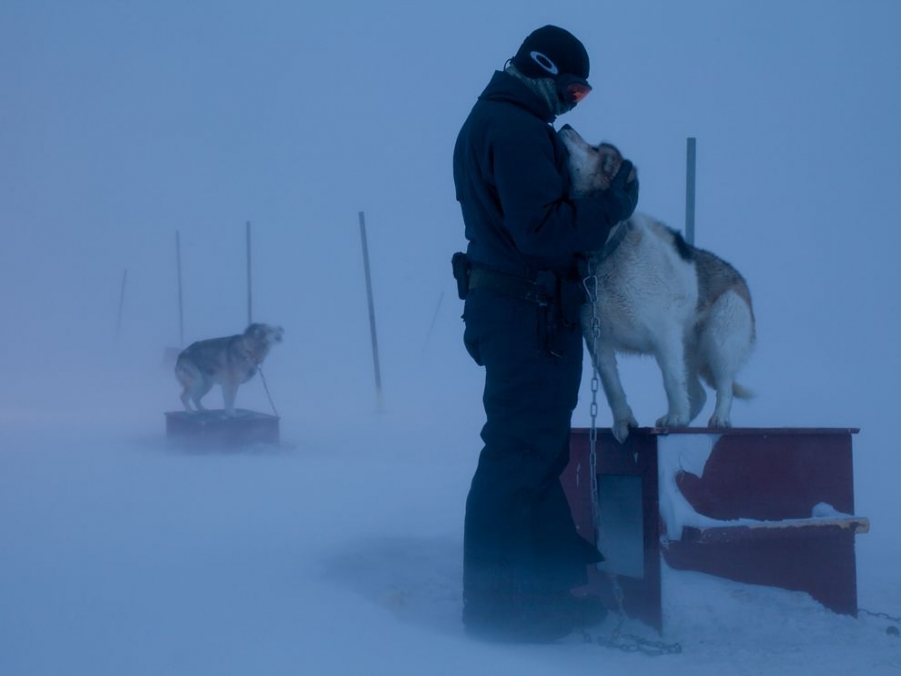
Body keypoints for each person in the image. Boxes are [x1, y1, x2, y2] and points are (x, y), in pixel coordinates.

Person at [451, 25, 640, 642]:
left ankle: (533, 593)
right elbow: (544, 232)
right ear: (541, 69)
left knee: (529, 455)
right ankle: (499, 608)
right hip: (525, 316)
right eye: (573, 89)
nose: (573, 101)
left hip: (517, 313)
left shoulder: (494, 121)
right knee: (517, 458)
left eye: (581, 96)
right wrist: (612, 204)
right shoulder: (515, 129)